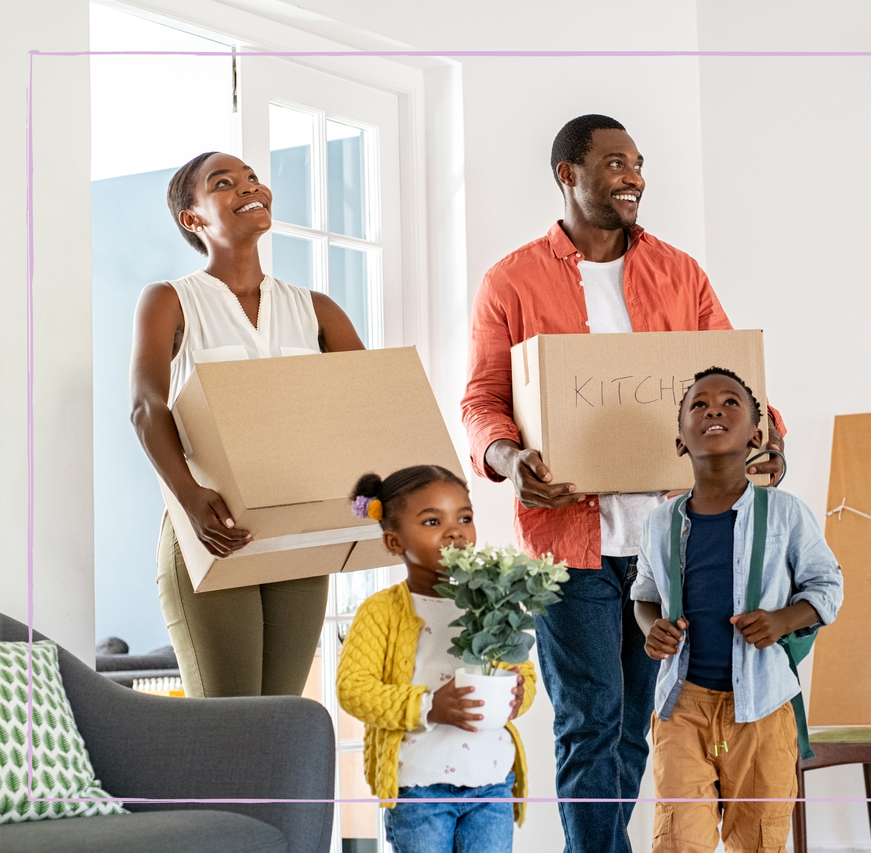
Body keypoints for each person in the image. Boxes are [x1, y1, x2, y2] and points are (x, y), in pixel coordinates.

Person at [461, 114, 787, 852]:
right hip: (567, 542)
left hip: (669, 542)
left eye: (637, 163)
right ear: (567, 175)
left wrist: (769, 436)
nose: (632, 175)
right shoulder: (511, 280)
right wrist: (511, 463)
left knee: (642, 713)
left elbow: (733, 378)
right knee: (588, 717)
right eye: (613, 163)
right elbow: (482, 400)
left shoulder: (680, 272)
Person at [130, 151, 366, 697]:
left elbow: (365, 411)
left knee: (279, 720)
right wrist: (189, 497)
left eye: (253, 178)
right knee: (228, 724)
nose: (249, 187)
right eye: (224, 183)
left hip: (299, 533)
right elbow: (146, 405)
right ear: (193, 218)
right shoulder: (170, 300)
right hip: (212, 528)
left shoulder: (317, 309)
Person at [632, 367, 843, 853]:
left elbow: (827, 585)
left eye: (730, 403)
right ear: (681, 438)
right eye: (699, 405)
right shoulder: (661, 521)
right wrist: (651, 627)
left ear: (755, 434)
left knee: (759, 841)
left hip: (764, 709)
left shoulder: (785, 512)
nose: (713, 410)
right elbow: (644, 591)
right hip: (681, 706)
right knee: (678, 842)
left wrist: (783, 620)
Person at [337, 466, 536, 853]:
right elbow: (354, 689)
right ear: (394, 541)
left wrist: (518, 692)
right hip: (419, 789)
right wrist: (430, 706)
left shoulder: (492, 601)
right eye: (432, 521)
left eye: (465, 517)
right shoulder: (382, 612)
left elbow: (521, 670)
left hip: (492, 784)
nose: (455, 531)